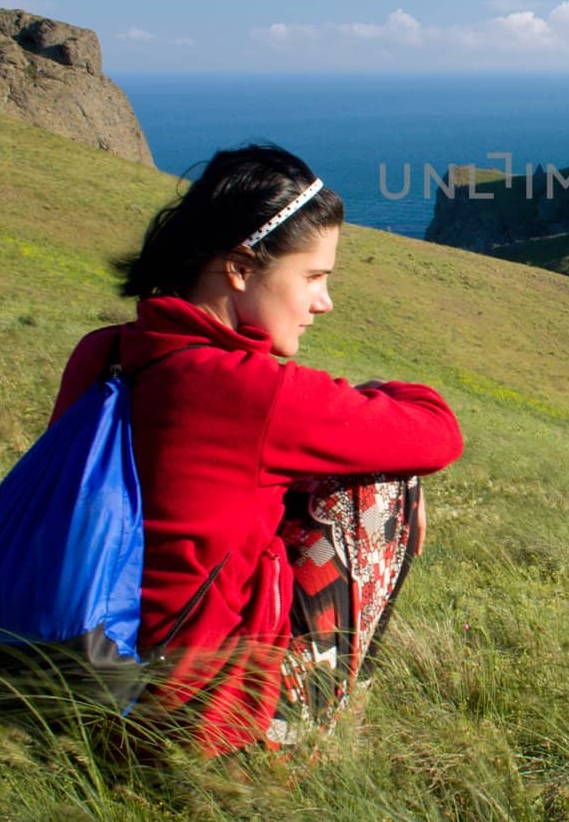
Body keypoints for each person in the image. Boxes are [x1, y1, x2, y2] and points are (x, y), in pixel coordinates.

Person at [50, 143, 463, 756]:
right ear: (241, 268)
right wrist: (377, 396)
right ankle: (310, 731)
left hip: (76, 682)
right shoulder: (249, 391)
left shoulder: (105, 351)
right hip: (193, 726)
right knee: (382, 483)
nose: (324, 302)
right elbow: (437, 432)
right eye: (313, 277)